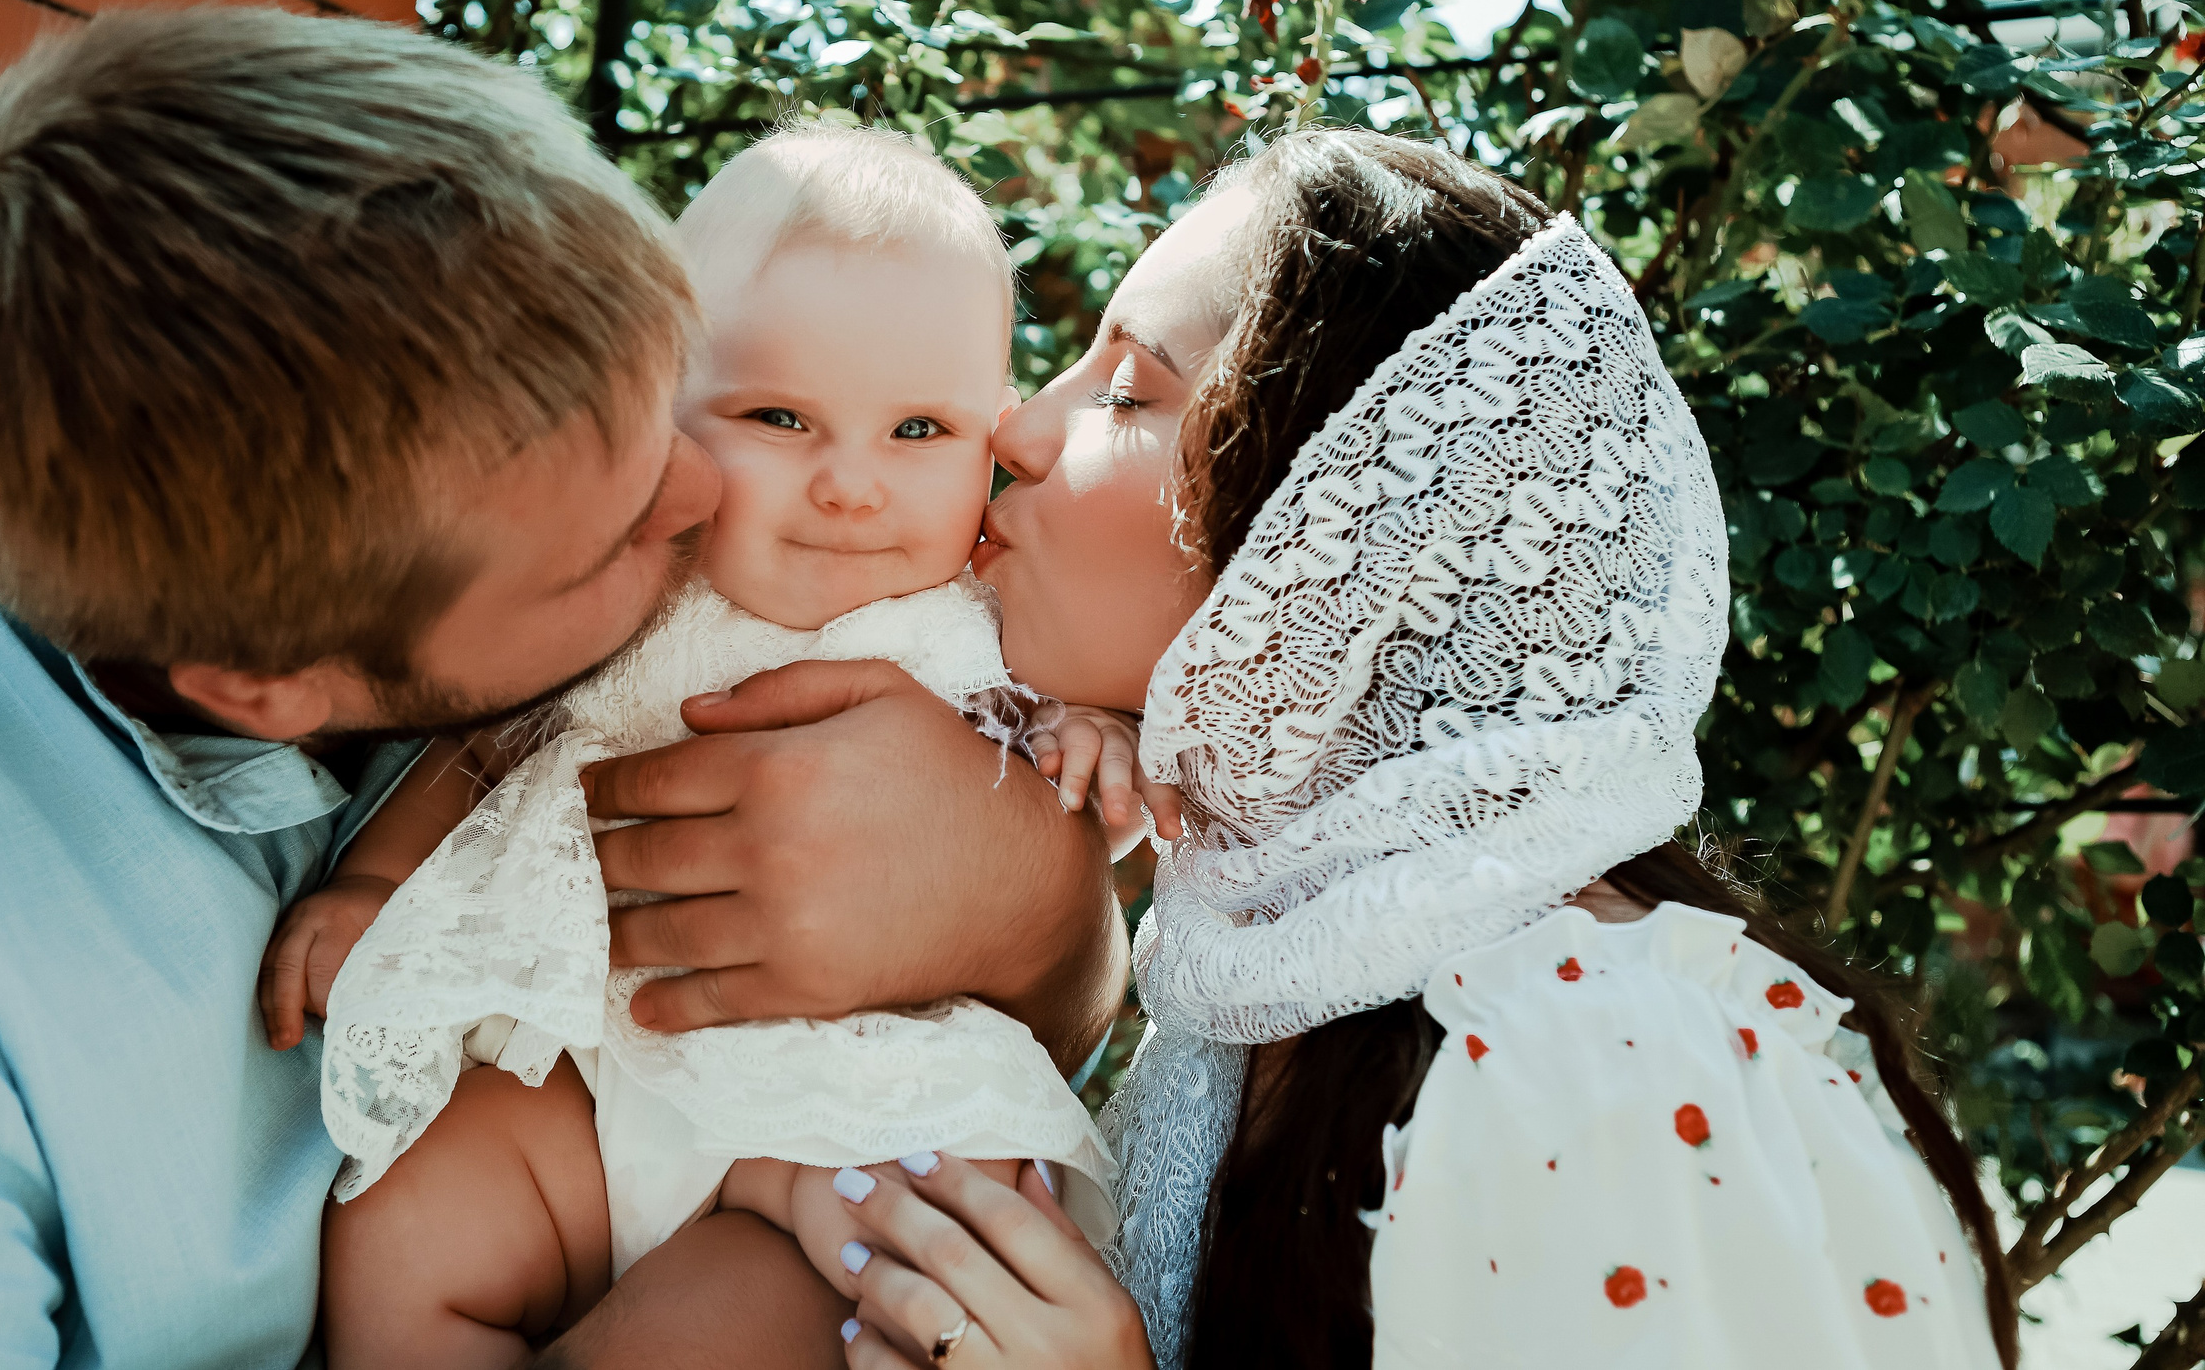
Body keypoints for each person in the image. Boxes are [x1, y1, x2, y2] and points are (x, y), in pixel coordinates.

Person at [0, 9, 1122, 1370]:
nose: (711, 505)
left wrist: (1039, 908)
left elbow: (1046, 969)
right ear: (273, 682)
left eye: (669, 392)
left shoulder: (357, 518)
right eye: (613, 538)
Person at [801, 127, 2015, 1369]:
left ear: (1357, 538)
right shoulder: (1269, 963)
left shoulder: (1598, 1057)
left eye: (1128, 392)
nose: (1014, 429)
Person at [289, 122, 1122, 1367]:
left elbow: (1056, 773)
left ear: (993, 436)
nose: (851, 485)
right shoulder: (626, 586)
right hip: (566, 1065)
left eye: (918, 433)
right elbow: (484, 743)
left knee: (739, 1318)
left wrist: (1082, 730)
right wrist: (368, 883)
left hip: (828, 1121)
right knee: (400, 1236)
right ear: (664, 413)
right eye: (781, 416)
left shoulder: (985, 624)